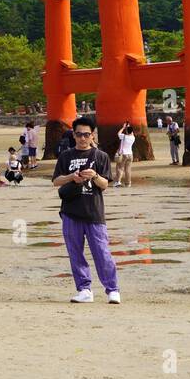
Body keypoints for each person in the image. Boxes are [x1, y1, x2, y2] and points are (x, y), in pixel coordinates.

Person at [53, 117, 119, 303]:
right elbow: (56, 181)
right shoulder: (66, 156)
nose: (83, 138)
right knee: (75, 253)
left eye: (87, 134)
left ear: (93, 135)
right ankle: (84, 289)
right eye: (79, 134)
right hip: (70, 211)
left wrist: (95, 175)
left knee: (101, 251)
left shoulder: (100, 156)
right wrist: (71, 177)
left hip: (94, 211)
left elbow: (105, 185)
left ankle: (112, 289)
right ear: (73, 135)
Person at [113, 123, 134, 188]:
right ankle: (128, 183)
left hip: (123, 154)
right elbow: (131, 132)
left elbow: (118, 133)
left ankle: (118, 182)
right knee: (128, 169)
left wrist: (123, 127)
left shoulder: (124, 136)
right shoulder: (133, 137)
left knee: (120, 168)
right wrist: (128, 127)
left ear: (126, 131)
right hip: (130, 154)